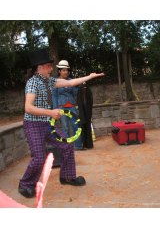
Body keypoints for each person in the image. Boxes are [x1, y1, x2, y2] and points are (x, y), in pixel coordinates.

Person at [18, 48, 104, 198]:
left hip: (46, 124)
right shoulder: (32, 83)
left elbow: (69, 83)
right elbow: (28, 107)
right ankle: (24, 185)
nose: (51, 69)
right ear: (40, 67)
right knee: (39, 158)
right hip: (33, 125)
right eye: (48, 66)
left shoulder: (48, 81)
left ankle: (67, 177)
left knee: (67, 144)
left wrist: (88, 77)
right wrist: (50, 112)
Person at [52, 60, 84, 150]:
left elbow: (74, 93)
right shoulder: (55, 81)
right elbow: (54, 95)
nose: (66, 72)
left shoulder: (71, 81)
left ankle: (78, 146)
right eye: (64, 70)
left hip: (72, 106)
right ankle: (68, 148)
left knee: (76, 126)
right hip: (61, 107)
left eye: (67, 70)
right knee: (65, 128)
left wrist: (80, 86)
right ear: (59, 71)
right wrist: (55, 109)